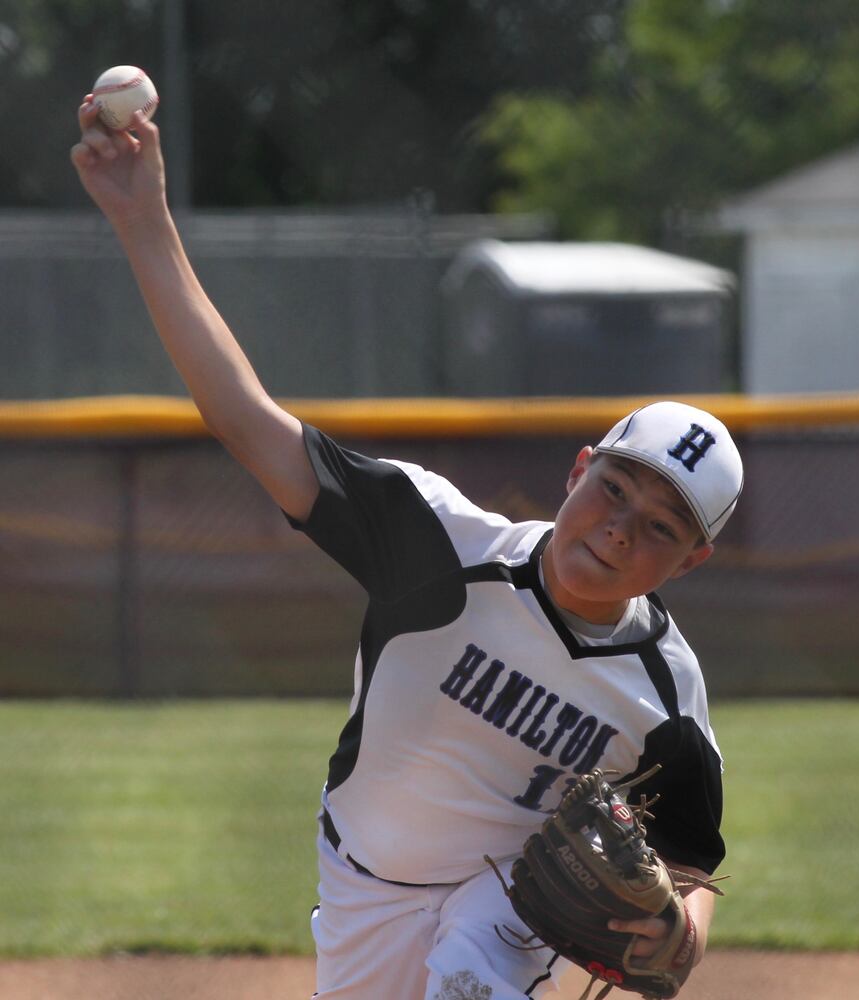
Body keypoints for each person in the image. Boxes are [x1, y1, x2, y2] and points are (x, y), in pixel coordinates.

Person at [72, 99, 743, 1000]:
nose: (621, 527)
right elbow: (247, 420)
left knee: (474, 969)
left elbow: (691, 861)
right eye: (614, 489)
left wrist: (683, 930)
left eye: (662, 526)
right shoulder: (439, 544)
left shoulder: (664, 696)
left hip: (510, 907)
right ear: (578, 469)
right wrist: (142, 216)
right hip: (361, 885)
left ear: (690, 562)